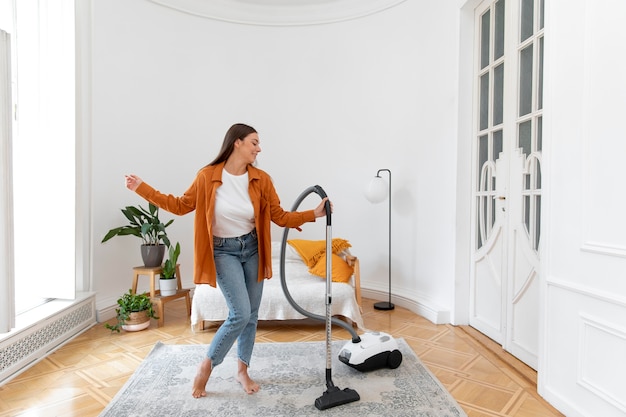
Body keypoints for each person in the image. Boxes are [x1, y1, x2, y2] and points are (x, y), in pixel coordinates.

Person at [124, 123, 330, 398]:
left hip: (252, 249)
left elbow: (279, 216)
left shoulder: (261, 179)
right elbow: (180, 205)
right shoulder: (207, 176)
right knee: (240, 313)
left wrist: (312, 214)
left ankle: (242, 370)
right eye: (254, 142)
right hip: (223, 252)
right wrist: (142, 188)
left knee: (252, 314)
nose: (259, 148)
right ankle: (206, 367)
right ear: (237, 143)